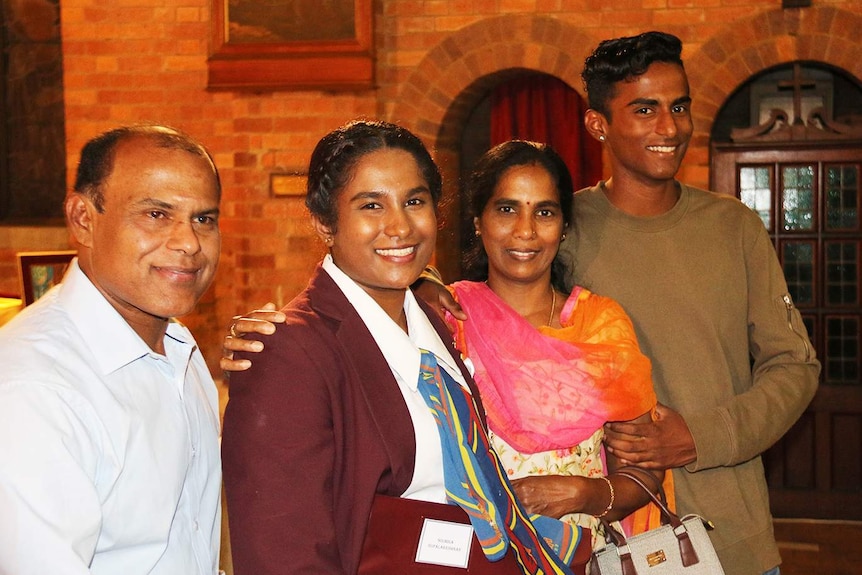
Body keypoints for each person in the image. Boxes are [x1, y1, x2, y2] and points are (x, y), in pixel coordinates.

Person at [222, 140, 666, 547]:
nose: (526, 231)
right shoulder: (447, 318)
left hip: (581, 552)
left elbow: (646, 463)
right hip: (459, 553)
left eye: (545, 212)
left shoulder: (600, 325)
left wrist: (582, 493)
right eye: (507, 210)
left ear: (565, 226)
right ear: (477, 221)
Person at [566, 31, 818, 575]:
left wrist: (698, 437)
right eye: (645, 109)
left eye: (679, 106)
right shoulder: (562, 230)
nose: (671, 128)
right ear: (598, 124)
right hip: (604, 544)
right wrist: (428, 285)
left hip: (734, 541)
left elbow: (794, 366)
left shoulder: (734, 227)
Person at [0, 125, 224, 574]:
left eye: (204, 218)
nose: (189, 242)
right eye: (157, 214)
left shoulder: (178, 346)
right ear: (83, 218)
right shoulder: (33, 387)